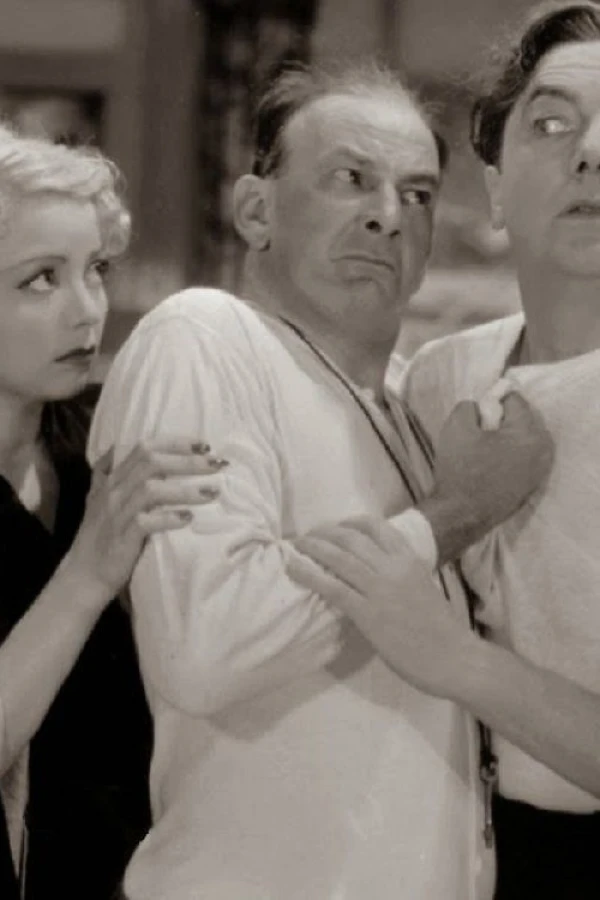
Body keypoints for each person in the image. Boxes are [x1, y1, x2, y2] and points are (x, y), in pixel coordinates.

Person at [89, 63, 552, 900]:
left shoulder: (414, 405)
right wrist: (452, 515)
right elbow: (206, 650)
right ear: (255, 210)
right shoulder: (204, 336)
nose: (387, 214)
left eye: (417, 194)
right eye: (350, 179)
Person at [289, 4, 600, 898]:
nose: (591, 152)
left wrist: (454, 659)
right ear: (495, 187)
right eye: (552, 124)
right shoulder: (438, 379)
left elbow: (426, 639)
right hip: (459, 848)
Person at [0, 122, 224, 900]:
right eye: (41, 279)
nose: (87, 309)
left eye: (96, 269)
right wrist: (91, 571)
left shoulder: (106, 431)